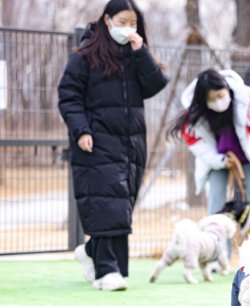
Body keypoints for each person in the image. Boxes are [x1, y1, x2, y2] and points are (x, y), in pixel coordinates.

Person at [58, 0, 168, 291]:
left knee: (122, 206)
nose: (127, 28)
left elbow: (156, 85)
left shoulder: (134, 56)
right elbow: (68, 95)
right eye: (122, 22)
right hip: (95, 141)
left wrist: (140, 51)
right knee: (107, 204)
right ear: (107, 20)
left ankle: (93, 254)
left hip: (131, 143)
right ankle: (106, 272)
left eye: (132, 23)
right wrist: (81, 130)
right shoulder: (84, 57)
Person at [169, 68, 250, 306]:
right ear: (203, 99)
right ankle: (215, 261)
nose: (220, 100)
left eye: (222, 95)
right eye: (214, 97)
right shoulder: (192, 114)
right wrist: (222, 161)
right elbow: (198, 146)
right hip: (219, 158)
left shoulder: (246, 100)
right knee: (216, 208)